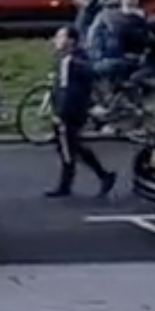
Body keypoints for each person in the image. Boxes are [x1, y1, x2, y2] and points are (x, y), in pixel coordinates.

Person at [45, 27, 117, 201]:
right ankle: (103, 175)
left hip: (70, 111)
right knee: (72, 146)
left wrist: (60, 112)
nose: (55, 40)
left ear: (70, 41)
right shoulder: (67, 59)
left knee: (68, 148)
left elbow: (70, 91)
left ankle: (66, 185)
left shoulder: (73, 62)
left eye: (60, 36)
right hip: (70, 110)